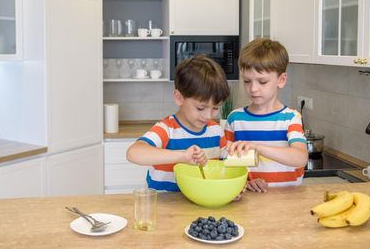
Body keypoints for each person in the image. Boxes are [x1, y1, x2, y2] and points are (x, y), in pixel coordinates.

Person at [126, 54, 232, 191]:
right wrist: (182, 156)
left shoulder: (216, 131)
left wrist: (235, 188)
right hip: (164, 208)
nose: (208, 116)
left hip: (200, 206)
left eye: (215, 108)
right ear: (179, 98)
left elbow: (227, 170)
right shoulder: (166, 130)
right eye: (201, 108)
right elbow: (133, 153)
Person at [225, 38, 308, 193]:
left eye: (262, 82)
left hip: (288, 202)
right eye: (247, 81)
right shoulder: (235, 119)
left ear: (281, 80)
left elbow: (300, 158)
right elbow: (228, 164)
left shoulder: (290, 118)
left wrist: (257, 147)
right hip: (250, 202)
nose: (253, 89)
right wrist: (246, 182)